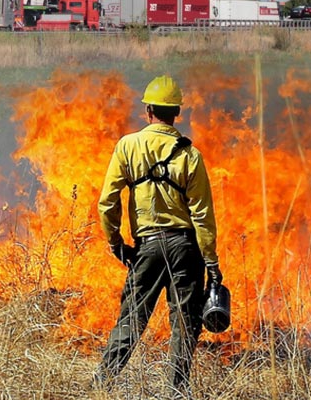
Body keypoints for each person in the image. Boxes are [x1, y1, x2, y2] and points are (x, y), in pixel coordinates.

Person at [93, 75, 222, 398]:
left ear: (148, 110)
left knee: (132, 318)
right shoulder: (190, 155)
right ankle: (177, 390)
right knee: (185, 322)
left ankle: (102, 384)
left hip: (147, 247)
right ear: (176, 112)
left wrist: (115, 242)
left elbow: (107, 201)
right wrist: (212, 261)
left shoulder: (128, 146)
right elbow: (203, 215)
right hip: (185, 248)